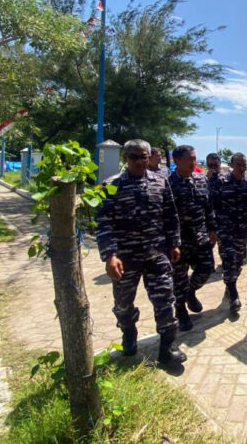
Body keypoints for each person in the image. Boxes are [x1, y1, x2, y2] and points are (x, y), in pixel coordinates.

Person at [96, 139, 186, 366]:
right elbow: (104, 223)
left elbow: (170, 216)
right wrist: (110, 255)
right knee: (123, 304)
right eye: (133, 157)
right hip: (126, 258)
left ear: (148, 157)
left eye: (142, 156)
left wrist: (174, 243)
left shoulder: (160, 181)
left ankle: (167, 347)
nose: (138, 161)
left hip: (157, 254)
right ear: (125, 159)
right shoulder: (111, 185)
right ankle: (128, 332)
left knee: (166, 300)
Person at [169, 145, 217, 329]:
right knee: (179, 277)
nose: (193, 163)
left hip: (200, 236)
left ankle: (190, 292)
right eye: (189, 159)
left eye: (194, 158)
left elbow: (208, 207)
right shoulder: (168, 183)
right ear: (177, 161)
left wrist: (212, 230)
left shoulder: (201, 179)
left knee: (206, 269)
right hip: (179, 240)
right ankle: (180, 310)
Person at [212, 153, 247, 312]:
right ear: (231, 165)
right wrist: (213, 227)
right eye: (238, 164)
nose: (241, 167)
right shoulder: (221, 181)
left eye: (244, 164)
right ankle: (233, 294)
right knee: (228, 257)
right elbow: (212, 204)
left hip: (241, 228)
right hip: (225, 227)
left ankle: (230, 284)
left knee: (239, 261)